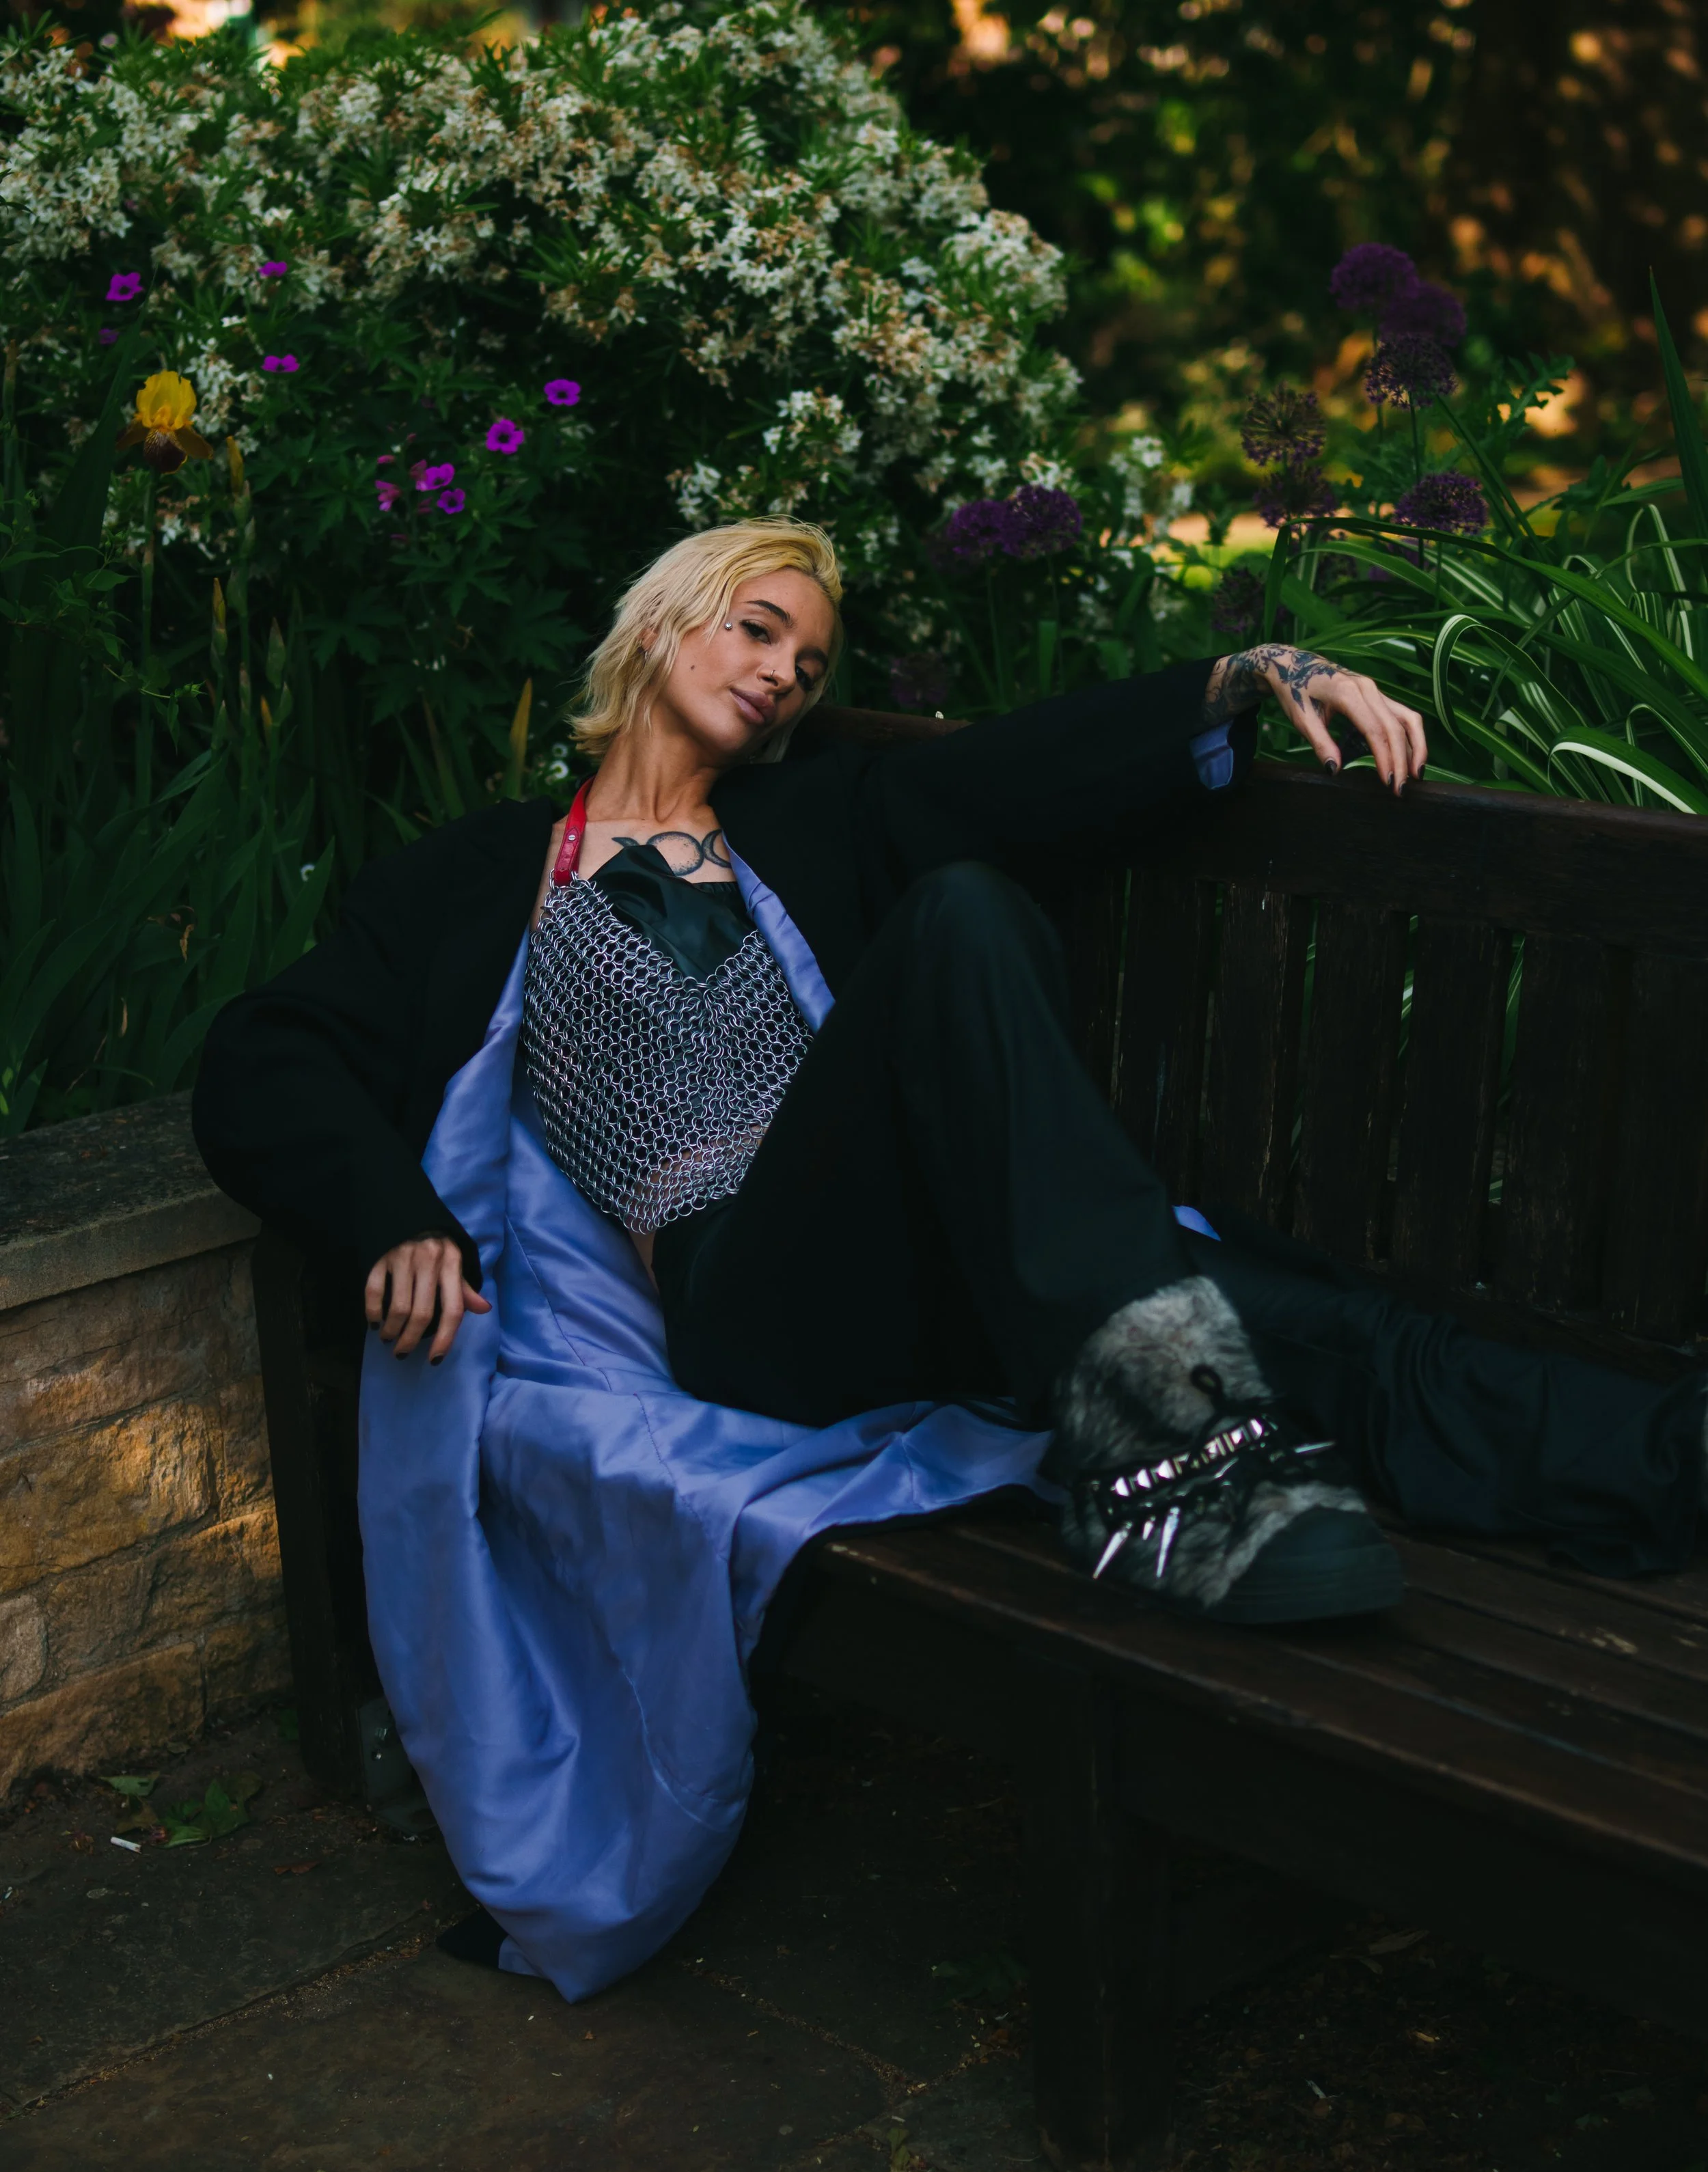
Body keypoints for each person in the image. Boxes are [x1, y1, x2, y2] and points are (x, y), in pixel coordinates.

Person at [193, 517, 1704, 1990]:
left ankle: (1659, 1456)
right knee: (963, 923)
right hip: (752, 1305)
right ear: (660, 624)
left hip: (952, 1267)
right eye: (757, 627)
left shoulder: (816, 820)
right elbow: (266, 1050)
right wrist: (392, 1211)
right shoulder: (478, 878)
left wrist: (1251, 672)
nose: (786, 673)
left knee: (1345, 1335)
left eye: (810, 655)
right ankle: (1176, 1457)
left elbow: (1017, 773)